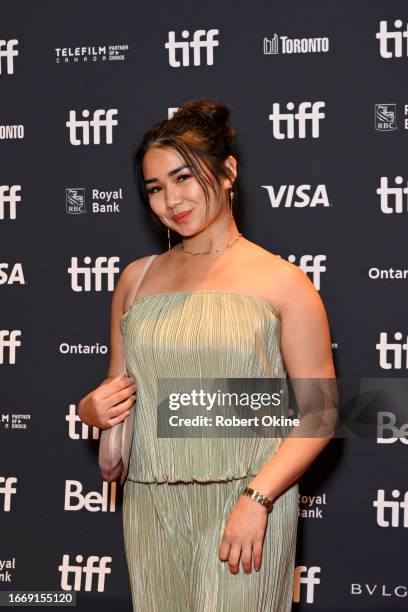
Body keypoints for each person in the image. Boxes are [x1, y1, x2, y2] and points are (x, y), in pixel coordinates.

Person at [78, 98, 337, 611]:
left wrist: (258, 499)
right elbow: (117, 389)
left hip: (247, 500)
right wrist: (91, 410)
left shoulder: (283, 281)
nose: (171, 199)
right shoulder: (136, 279)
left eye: (184, 177)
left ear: (227, 172)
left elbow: (322, 413)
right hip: (152, 500)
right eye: (155, 187)